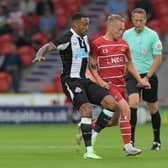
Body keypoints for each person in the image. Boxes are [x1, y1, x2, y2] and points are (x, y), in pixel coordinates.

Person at [33, 13, 123, 160]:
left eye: (87, 24)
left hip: (85, 80)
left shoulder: (86, 38)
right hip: (71, 81)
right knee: (86, 110)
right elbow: (47, 46)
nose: (87, 27)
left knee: (111, 104)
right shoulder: (66, 38)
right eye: (84, 24)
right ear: (75, 25)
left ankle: (92, 133)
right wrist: (40, 54)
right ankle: (89, 151)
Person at [88, 14, 150, 156]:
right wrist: (100, 81)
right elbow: (91, 65)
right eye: (119, 29)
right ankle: (128, 146)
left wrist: (140, 81)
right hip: (109, 86)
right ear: (110, 26)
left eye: (123, 29)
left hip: (121, 85)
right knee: (126, 110)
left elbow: (130, 65)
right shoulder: (97, 44)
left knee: (112, 122)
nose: (121, 32)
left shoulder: (123, 44)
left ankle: (87, 128)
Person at [123, 8, 162, 150]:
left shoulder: (152, 35)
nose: (138, 23)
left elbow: (158, 58)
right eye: (135, 20)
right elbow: (124, 55)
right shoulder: (126, 34)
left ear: (145, 20)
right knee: (132, 103)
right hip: (133, 75)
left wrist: (147, 77)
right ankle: (131, 142)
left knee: (152, 107)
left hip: (148, 75)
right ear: (132, 20)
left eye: (141, 20)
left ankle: (157, 141)